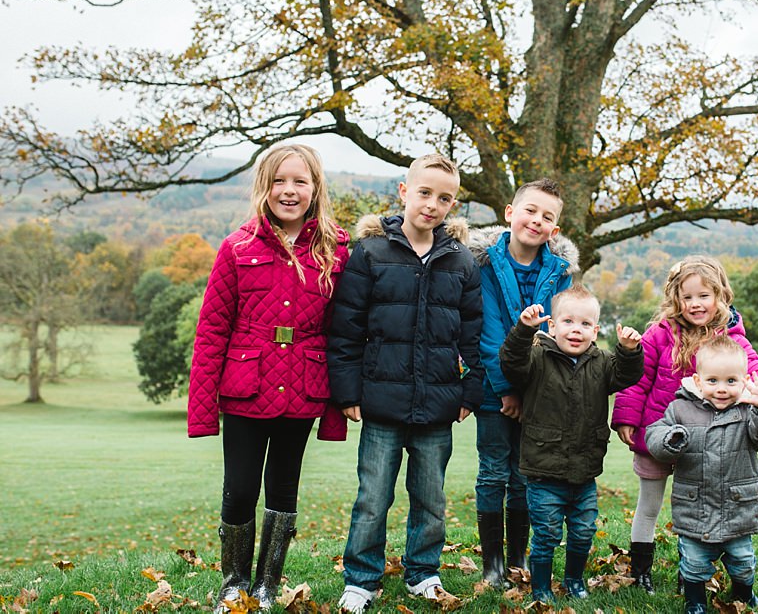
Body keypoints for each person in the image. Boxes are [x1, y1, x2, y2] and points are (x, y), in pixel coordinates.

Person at [187, 144, 351, 612]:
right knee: (239, 488)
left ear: (315, 188)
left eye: (300, 181)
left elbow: (343, 332)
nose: (289, 191)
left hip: (304, 388)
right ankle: (234, 583)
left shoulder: (336, 251)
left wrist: (336, 412)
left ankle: (267, 584)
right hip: (245, 388)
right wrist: (201, 413)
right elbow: (212, 331)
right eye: (280, 181)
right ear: (265, 186)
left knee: (284, 488)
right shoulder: (237, 247)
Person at [327, 153, 484, 613]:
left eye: (445, 198)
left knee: (430, 497)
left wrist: (469, 391)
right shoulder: (371, 253)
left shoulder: (460, 262)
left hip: (439, 403)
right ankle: (361, 579)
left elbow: (471, 333)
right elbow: (347, 329)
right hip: (380, 401)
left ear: (452, 204)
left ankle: (423, 572)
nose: (433, 204)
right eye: (424, 193)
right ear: (404, 191)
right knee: (373, 497)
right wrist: (348, 392)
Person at [611, 255, 758, 594]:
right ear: (675, 298)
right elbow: (637, 379)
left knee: (695, 506)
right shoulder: (660, 334)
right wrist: (627, 417)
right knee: (649, 505)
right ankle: (640, 568)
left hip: (705, 441)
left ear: (720, 295)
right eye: (687, 297)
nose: (695, 304)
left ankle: (688, 571)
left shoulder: (730, 337)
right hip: (657, 432)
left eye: (704, 296)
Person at [466, 178, 578, 588]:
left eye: (547, 216)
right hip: (496, 392)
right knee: (494, 470)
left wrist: (533, 393)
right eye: (530, 210)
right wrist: (506, 390)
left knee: (525, 474)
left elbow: (560, 333)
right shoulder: (485, 266)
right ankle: (492, 562)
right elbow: (489, 332)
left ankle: (518, 556)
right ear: (510, 213)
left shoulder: (559, 273)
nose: (537, 220)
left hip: (539, 395)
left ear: (555, 229)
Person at [499, 285, 644, 603]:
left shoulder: (602, 362)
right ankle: (540, 586)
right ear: (552, 326)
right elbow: (511, 363)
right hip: (543, 470)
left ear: (595, 330)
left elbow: (627, 376)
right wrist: (524, 331)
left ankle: (575, 580)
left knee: (582, 532)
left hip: (584, 471)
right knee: (547, 534)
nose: (575, 330)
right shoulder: (538, 357)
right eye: (567, 322)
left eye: (584, 324)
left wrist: (629, 350)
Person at [645, 334, 758, 613]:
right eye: (713, 381)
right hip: (695, 506)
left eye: (731, 381)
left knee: (743, 561)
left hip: (738, 506)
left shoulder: (748, 412)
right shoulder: (680, 409)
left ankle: (744, 594)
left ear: (744, 380)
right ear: (698, 381)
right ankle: (695, 601)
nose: (722, 389)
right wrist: (670, 439)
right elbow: (654, 434)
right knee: (694, 561)